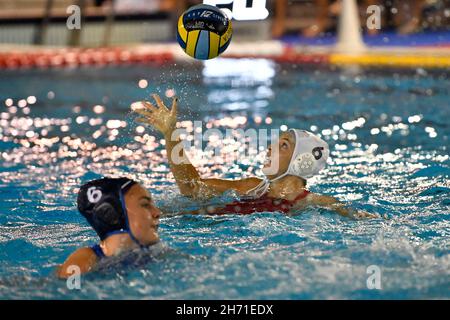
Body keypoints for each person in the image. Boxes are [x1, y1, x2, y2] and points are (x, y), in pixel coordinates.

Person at [133, 94, 377, 218]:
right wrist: (170, 132)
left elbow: (364, 220)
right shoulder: (250, 188)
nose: (269, 148)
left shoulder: (317, 203)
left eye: (282, 146)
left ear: (300, 161)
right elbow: (190, 188)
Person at [57, 177, 161, 278]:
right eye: (145, 204)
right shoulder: (84, 260)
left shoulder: (154, 253)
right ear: (111, 214)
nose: (157, 213)